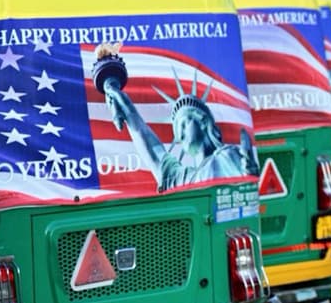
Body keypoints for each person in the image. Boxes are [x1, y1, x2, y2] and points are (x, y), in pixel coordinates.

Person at [97, 45, 259, 192]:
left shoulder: (227, 157)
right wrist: (118, 96)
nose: (179, 136)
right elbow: (148, 142)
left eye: (183, 124)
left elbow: (245, 190)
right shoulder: (178, 178)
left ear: (203, 121)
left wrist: (248, 173)